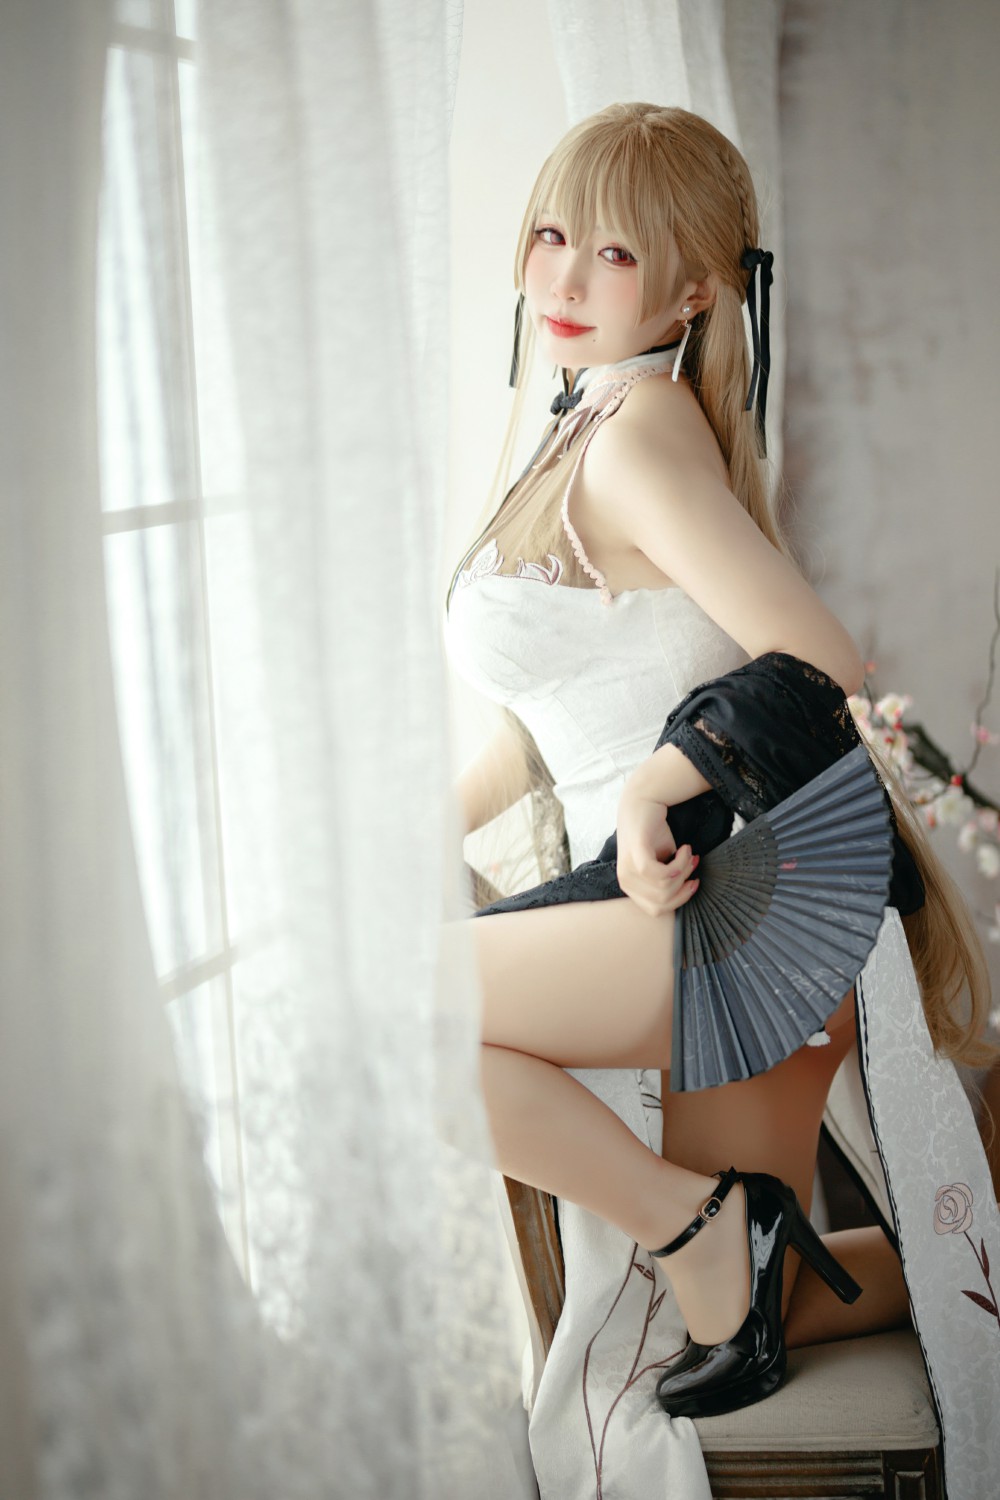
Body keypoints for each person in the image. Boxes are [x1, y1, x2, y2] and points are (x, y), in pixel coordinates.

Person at [443, 103, 996, 1488]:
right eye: (553, 233)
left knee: (409, 1022)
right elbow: (541, 731)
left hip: (737, 897)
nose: (565, 278)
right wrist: (405, 836)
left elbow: (823, 660)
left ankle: (700, 1229)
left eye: (615, 254)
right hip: (695, 887)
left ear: (695, 289)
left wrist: (659, 775)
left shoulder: (634, 431)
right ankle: (732, 1246)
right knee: (774, 1297)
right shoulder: (583, 420)